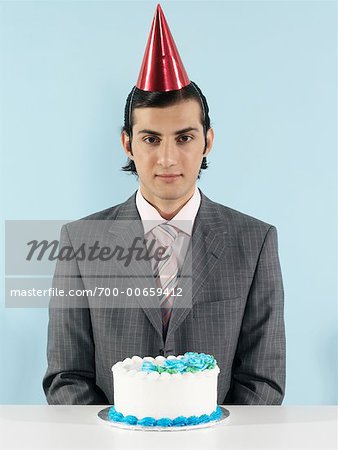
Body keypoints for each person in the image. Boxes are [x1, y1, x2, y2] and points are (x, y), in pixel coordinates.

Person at [43, 4, 285, 405]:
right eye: (151, 139)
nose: (168, 158)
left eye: (185, 138)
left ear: (208, 140)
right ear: (128, 144)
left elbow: (263, 379)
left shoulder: (255, 241)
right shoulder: (79, 241)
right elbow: (67, 376)